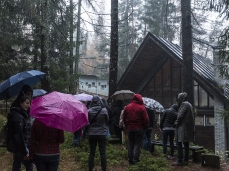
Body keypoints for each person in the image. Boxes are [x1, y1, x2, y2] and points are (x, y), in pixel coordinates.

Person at [7, 95, 34, 171]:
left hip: (17, 146)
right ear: (20, 103)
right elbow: (18, 136)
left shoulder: (18, 114)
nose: (29, 106)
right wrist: (24, 152)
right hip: (21, 147)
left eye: (29, 104)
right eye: (27, 103)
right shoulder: (18, 117)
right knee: (30, 166)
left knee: (17, 166)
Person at [123, 94, 149, 165]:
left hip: (130, 128)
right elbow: (146, 119)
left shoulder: (127, 107)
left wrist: (126, 125)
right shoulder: (142, 108)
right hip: (139, 128)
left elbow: (124, 117)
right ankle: (136, 159)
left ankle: (130, 159)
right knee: (137, 144)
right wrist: (145, 126)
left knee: (130, 144)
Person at [172, 92, 194, 166]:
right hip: (187, 127)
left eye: (179, 98)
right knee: (186, 143)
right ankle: (186, 159)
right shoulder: (189, 104)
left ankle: (180, 160)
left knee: (179, 143)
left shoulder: (184, 104)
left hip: (182, 128)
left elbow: (180, 116)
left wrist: (176, 123)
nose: (178, 100)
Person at [88, 95, 109, 171]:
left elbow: (87, 122)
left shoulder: (89, 111)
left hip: (92, 134)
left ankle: (91, 168)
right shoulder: (104, 110)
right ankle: (104, 169)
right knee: (102, 153)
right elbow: (107, 121)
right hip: (102, 133)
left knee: (92, 153)